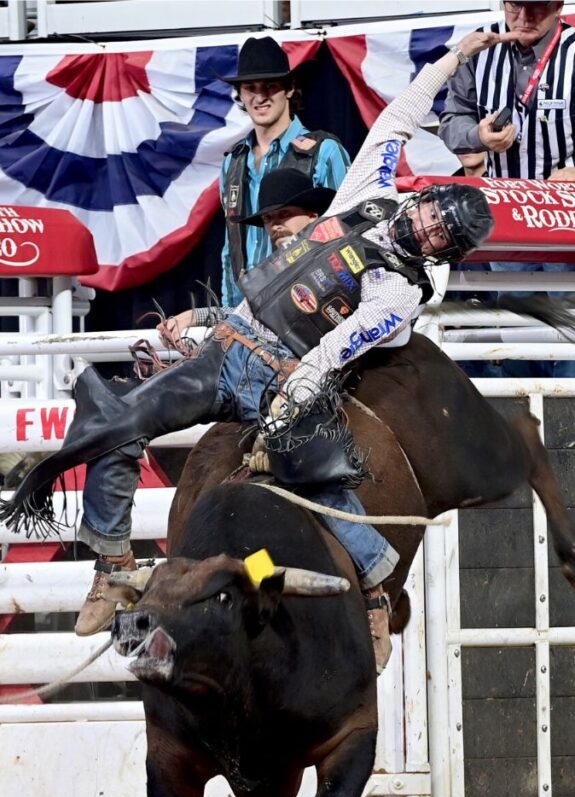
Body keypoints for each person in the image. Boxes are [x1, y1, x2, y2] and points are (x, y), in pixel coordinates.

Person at [0, 28, 505, 672]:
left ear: (441, 251)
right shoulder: (363, 193)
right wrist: (455, 58)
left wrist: (300, 388)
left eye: (438, 233)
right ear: (425, 198)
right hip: (233, 344)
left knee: (319, 481)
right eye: (433, 213)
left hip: (284, 373)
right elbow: (400, 116)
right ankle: (114, 562)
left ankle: (375, 586)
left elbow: (347, 339)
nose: (426, 224)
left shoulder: (398, 289)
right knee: (119, 417)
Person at [439, 0, 575, 377]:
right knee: (518, 335)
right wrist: (476, 136)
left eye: (538, 7)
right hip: (509, 222)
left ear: (559, 5)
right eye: (517, 6)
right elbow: (451, 119)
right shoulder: (480, 51)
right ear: (503, 4)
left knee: (571, 338)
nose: (526, 17)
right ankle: (526, 431)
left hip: (569, 228)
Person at [219, 36, 351, 306]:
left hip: (306, 305)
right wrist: (230, 313)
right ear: (241, 95)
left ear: (289, 89)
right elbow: (230, 247)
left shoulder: (323, 151)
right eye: (250, 88)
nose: (260, 97)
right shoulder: (233, 162)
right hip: (247, 312)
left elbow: (345, 234)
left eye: (270, 86)